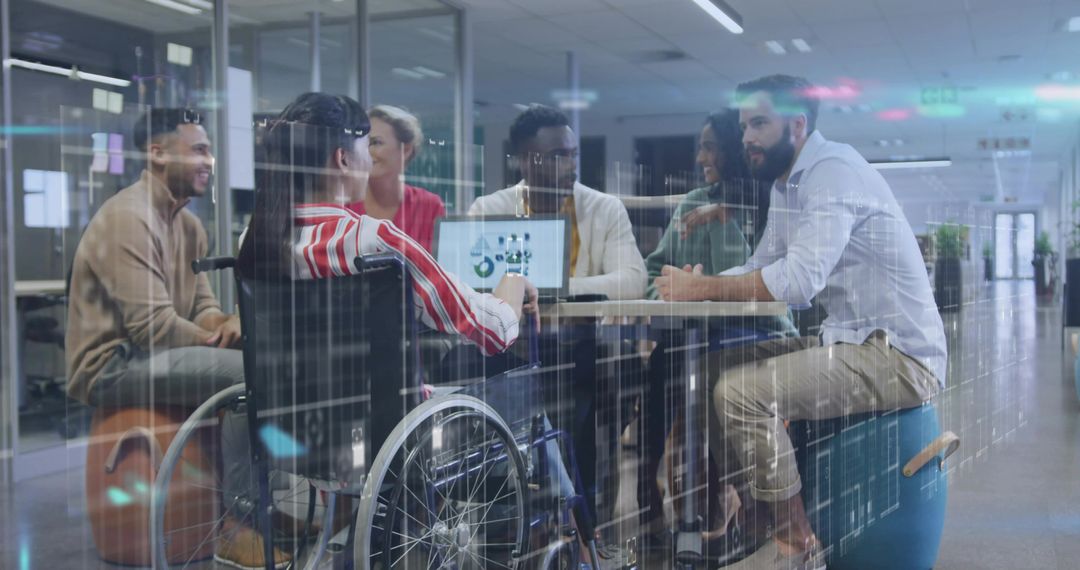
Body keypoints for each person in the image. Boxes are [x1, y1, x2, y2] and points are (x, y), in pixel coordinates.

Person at [654, 75, 947, 569]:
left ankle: (798, 545)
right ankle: (757, 513)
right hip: (849, 340)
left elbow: (799, 280)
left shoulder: (832, 173)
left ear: (797, 124)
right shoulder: (787, 184)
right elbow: (762, 261)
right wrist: (703, 278)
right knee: (709, 372)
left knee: (741, 393)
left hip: (899, 356)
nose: (747, 137)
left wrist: (703, 290)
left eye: (760, 124)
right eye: (745, 125)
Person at [64, 109, 262, 567]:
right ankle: (237, 521)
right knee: (248, 377)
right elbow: (152, 328)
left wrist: (227, 324)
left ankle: (259, 508)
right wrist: (224, 343)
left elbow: (200, 309)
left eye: (209, 150)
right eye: (198, 149)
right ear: (156, 153)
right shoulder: (128, 219)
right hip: (112, 365)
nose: (209, 161)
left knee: (257, 361)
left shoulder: (188, 225)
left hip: (150, 354)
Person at [640, 108, 796, 543]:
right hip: (691, 332)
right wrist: (673, 290)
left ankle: (729, 514)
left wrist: (701, 286)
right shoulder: (691, 204)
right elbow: (654, 274)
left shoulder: (763, 203)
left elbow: (750, 282)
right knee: (658, 385)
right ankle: (656, 511)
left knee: (705, 388)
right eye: (700, 146)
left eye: (711, 146)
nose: (701, 156)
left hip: (753, 332)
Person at [468, 105, 646, 300]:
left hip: (581, 329)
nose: (571, 165)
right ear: (525, 162)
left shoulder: (605, 208)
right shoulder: (489, 209)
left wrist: (550, 289)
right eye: (557, 156)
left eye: (573, 154)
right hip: (514, 329)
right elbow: (469, 286)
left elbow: (633, 281)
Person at [347, 104, 445, 252]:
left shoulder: (429, 206)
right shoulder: (345, 205)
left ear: (405, 150)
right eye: (363, 143)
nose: (366, 151)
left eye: (376, 142)